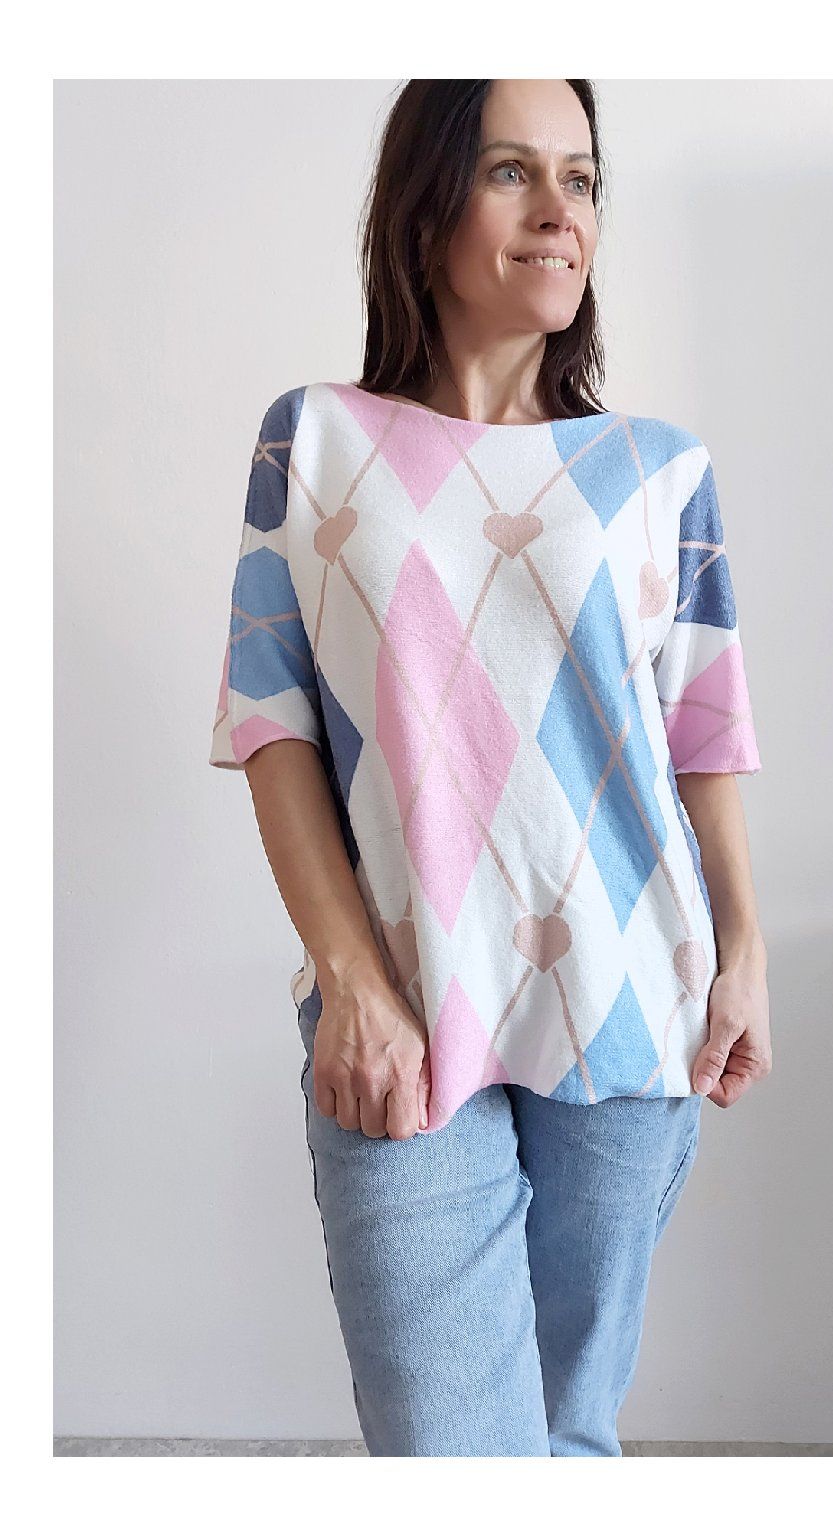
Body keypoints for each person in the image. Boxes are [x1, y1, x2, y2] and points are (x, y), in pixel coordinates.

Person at [209, 78, 771, 1457]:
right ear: (425, 208)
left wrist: (747, 952)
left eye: (582, 180)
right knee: (456, 1453)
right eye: (513, 172)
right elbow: (271, 724)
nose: (560, 211)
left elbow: (703, 734)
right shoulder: (315, 441)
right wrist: (351, 981)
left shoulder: (660, 469)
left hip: (634, 998)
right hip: (405, 1000)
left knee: (567, 1442)